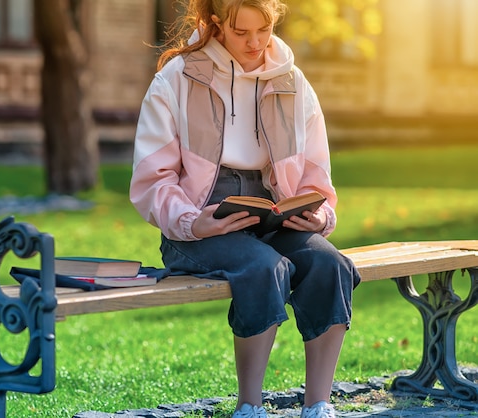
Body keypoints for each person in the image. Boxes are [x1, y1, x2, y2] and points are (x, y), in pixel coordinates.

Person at [129, 1, 361, 417]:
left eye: (264, 29)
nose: (255, 43)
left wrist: (318, 214)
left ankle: (318, 405)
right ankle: (249, 407)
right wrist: (191, 222)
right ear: (215, 23)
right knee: (261, 266)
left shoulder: (292, 82)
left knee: (331, 266)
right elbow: (152, 180)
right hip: (200, 220)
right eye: (241, 32)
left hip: (274, 208)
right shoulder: (177, 79)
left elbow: (314, 171)